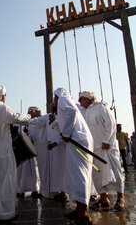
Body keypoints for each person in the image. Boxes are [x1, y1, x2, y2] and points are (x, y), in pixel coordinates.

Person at [0, 84, 31, 221]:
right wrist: (29, 116)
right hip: (1, 152)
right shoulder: (2, 108)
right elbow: (16, 119)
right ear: (2, 96)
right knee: (5, 182)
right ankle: (5, 214)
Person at [49, 88, 93, 225]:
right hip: (77, 141)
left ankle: (83, 215)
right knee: (75, 176)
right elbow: (63, 128)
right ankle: (78, 209)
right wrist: (60, 139)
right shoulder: (63, 107)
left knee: (79, 176)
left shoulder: (62, 99)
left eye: (53, 99)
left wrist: (66, 134)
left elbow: (72, 113)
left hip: (78, 141)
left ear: (56, 97)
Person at [79, 91, 125, 212]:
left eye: (81, 99)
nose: (80, 102)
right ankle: (104, 199)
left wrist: (107, 141)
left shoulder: (101, 108)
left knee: (115, 172)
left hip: (107, 147)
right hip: (94, 149)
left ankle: (120, 198)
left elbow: (111, 124)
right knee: (97, 174)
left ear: (88, 99)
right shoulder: (84, 111)